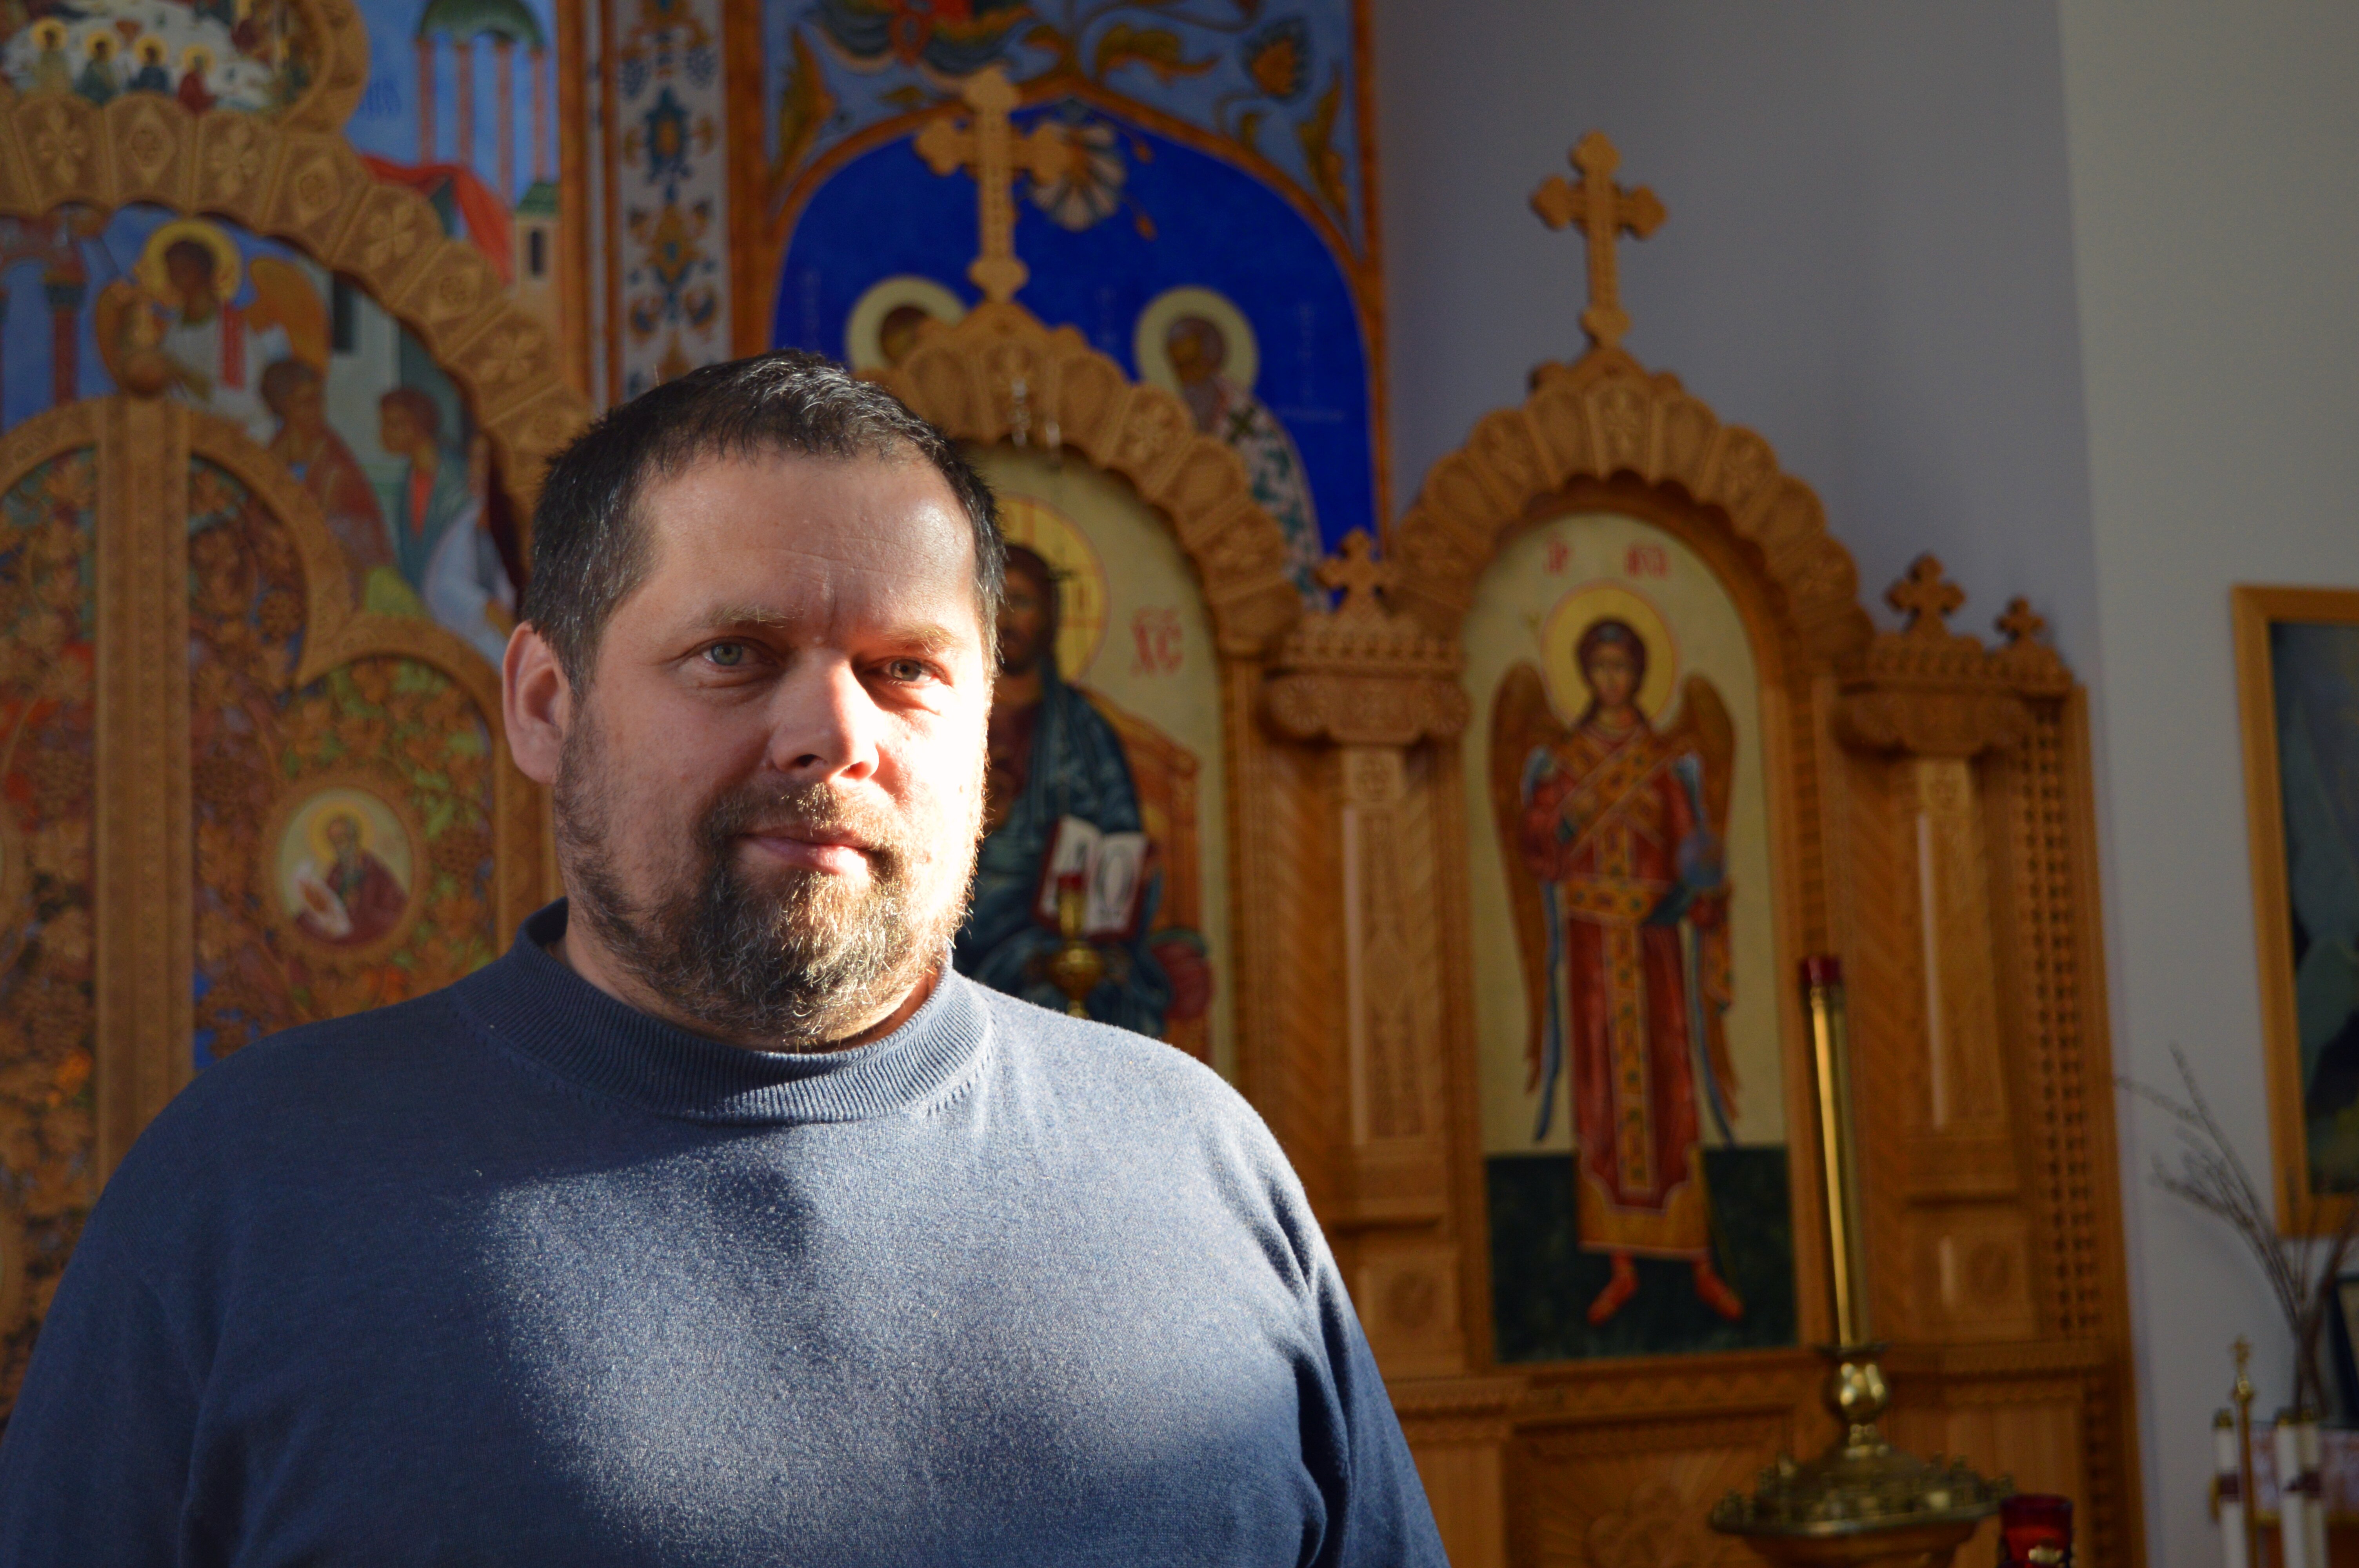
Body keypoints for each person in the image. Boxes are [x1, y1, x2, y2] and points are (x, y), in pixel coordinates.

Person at [0, 350, 1446, 1564]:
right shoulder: (250, 1195)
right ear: (546, 702)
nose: (833, 730)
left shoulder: (1195, 1163)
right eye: (735, 654)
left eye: (905, 666)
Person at [1509, 619, 1743, 1327]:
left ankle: (1697, 1260)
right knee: (1602, 1097)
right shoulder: (1566, 761)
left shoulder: (1664, 760)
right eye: (1600, 666)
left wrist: (1702, 890)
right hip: (1590, 948)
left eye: (1623, 666)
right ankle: (1618, 1265)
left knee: (1670, 1088)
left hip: (1653, 945)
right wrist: (1565, 819)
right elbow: (1537, 847)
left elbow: (1691, 849)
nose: (1612, 679)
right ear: (1585, 673)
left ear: (1640, 674)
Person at [955, 544, 1211, 1034]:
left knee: (1115, 988)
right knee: (1037, 988)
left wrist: (1130, 867)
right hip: (980, 907)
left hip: (1070, 914)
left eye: (1024, 602)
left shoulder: (1084, 727)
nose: (1008, 617)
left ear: (1051, 617)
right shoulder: (951, 717)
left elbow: (1120, 827)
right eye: (998, 601)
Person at [259, 357, 393, 592]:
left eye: (319, 399)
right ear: (282, 406)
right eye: (304, 403)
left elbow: (359, 539)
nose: (316, 410)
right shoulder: (272, 456)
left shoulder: (335, 463)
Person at [376, 385, 475, 592]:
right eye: (385, 424)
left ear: (419, 425)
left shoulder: (458, 477)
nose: (384, 434)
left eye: (395, 425)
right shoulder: (410, 479)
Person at [289, 810, 408, 947]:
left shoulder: (377, 874)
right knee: (299, 924)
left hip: (361, 936)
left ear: (354, 838)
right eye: (333, 842)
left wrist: (361, 908)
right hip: (334, 931)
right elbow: (326, 903)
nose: (338, 847)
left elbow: (398, 916)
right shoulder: (337, 872)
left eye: (342, 839)